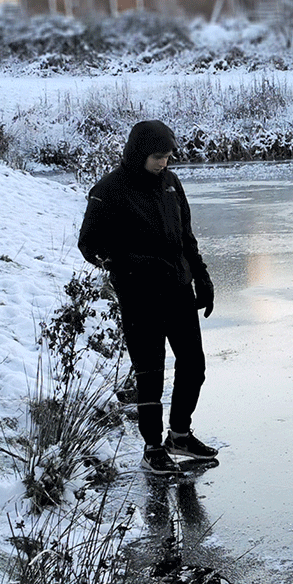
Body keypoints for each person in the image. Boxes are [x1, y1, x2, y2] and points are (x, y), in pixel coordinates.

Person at [79, 120, 218, 473]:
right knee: (151, 373)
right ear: (139, 154)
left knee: (194, 366)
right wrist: (134, 264)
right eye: (158, 157)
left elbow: (186, 237)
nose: (164, 163)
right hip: (140, 296)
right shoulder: (109, 190)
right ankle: (153, 448)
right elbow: (90, 245)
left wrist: (202, 278)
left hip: (179, 290)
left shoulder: (171, 184)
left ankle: (180, 435)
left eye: (168, 156)